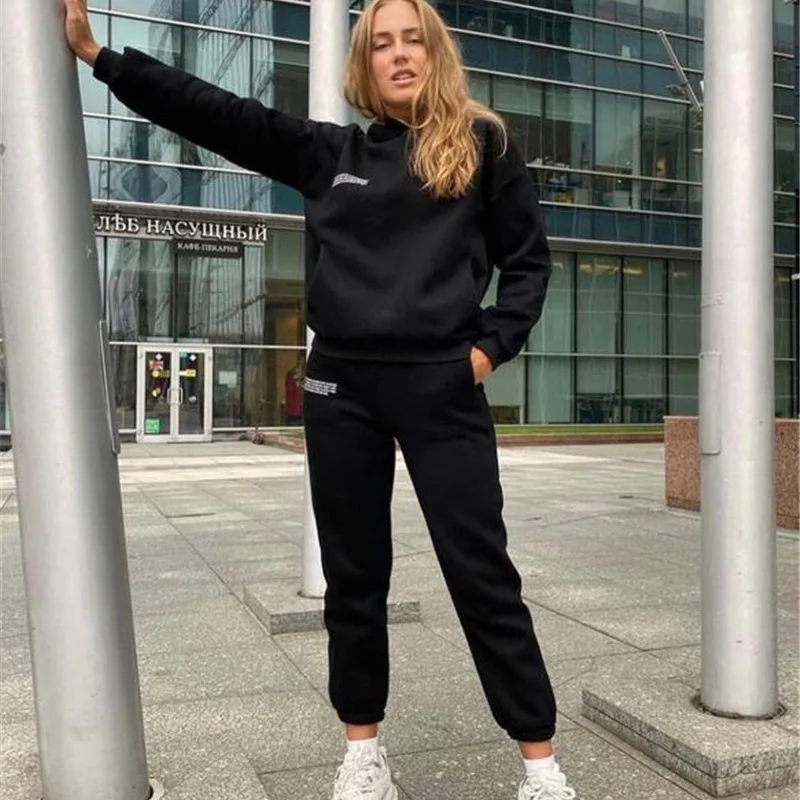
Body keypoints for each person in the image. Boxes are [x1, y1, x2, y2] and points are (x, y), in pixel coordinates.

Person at [64, 0, 575, 797]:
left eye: (413, 40)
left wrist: (487, 351)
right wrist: (102, 57)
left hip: (441, 385)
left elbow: (529, 263)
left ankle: (539, 765)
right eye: (382, 44)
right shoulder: (331, 152)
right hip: (343, 386)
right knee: (353, 575)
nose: (399, 55)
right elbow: (216, 113)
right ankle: (363, 754)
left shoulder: (484, 145)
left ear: (435, 53)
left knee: (481, 571)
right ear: (363, 65)